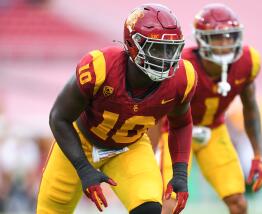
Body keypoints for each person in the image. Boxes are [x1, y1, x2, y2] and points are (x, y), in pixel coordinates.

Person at [36, 4, 197, 214]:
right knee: (51, 210)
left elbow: (182, 123)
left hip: (129, 146)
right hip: (81, 141)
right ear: (133, 44)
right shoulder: (100, 67)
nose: (166, 57)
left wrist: (180, 173)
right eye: (157, 48)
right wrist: (83, 168)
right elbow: (59, 117)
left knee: (149, 209)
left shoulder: (183, 78)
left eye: (171, 48)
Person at [159, 4, 262, 214]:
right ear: (202, 39)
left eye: (230, 36)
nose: (226, 43)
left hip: (214, 130)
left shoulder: (248, 61)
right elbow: (156, 110)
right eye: (219, 37)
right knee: (170, 203)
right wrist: (152, 146)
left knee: (238, 202)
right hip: (176, 132)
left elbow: (251, 108)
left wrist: (258, 155)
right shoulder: (183, 65)